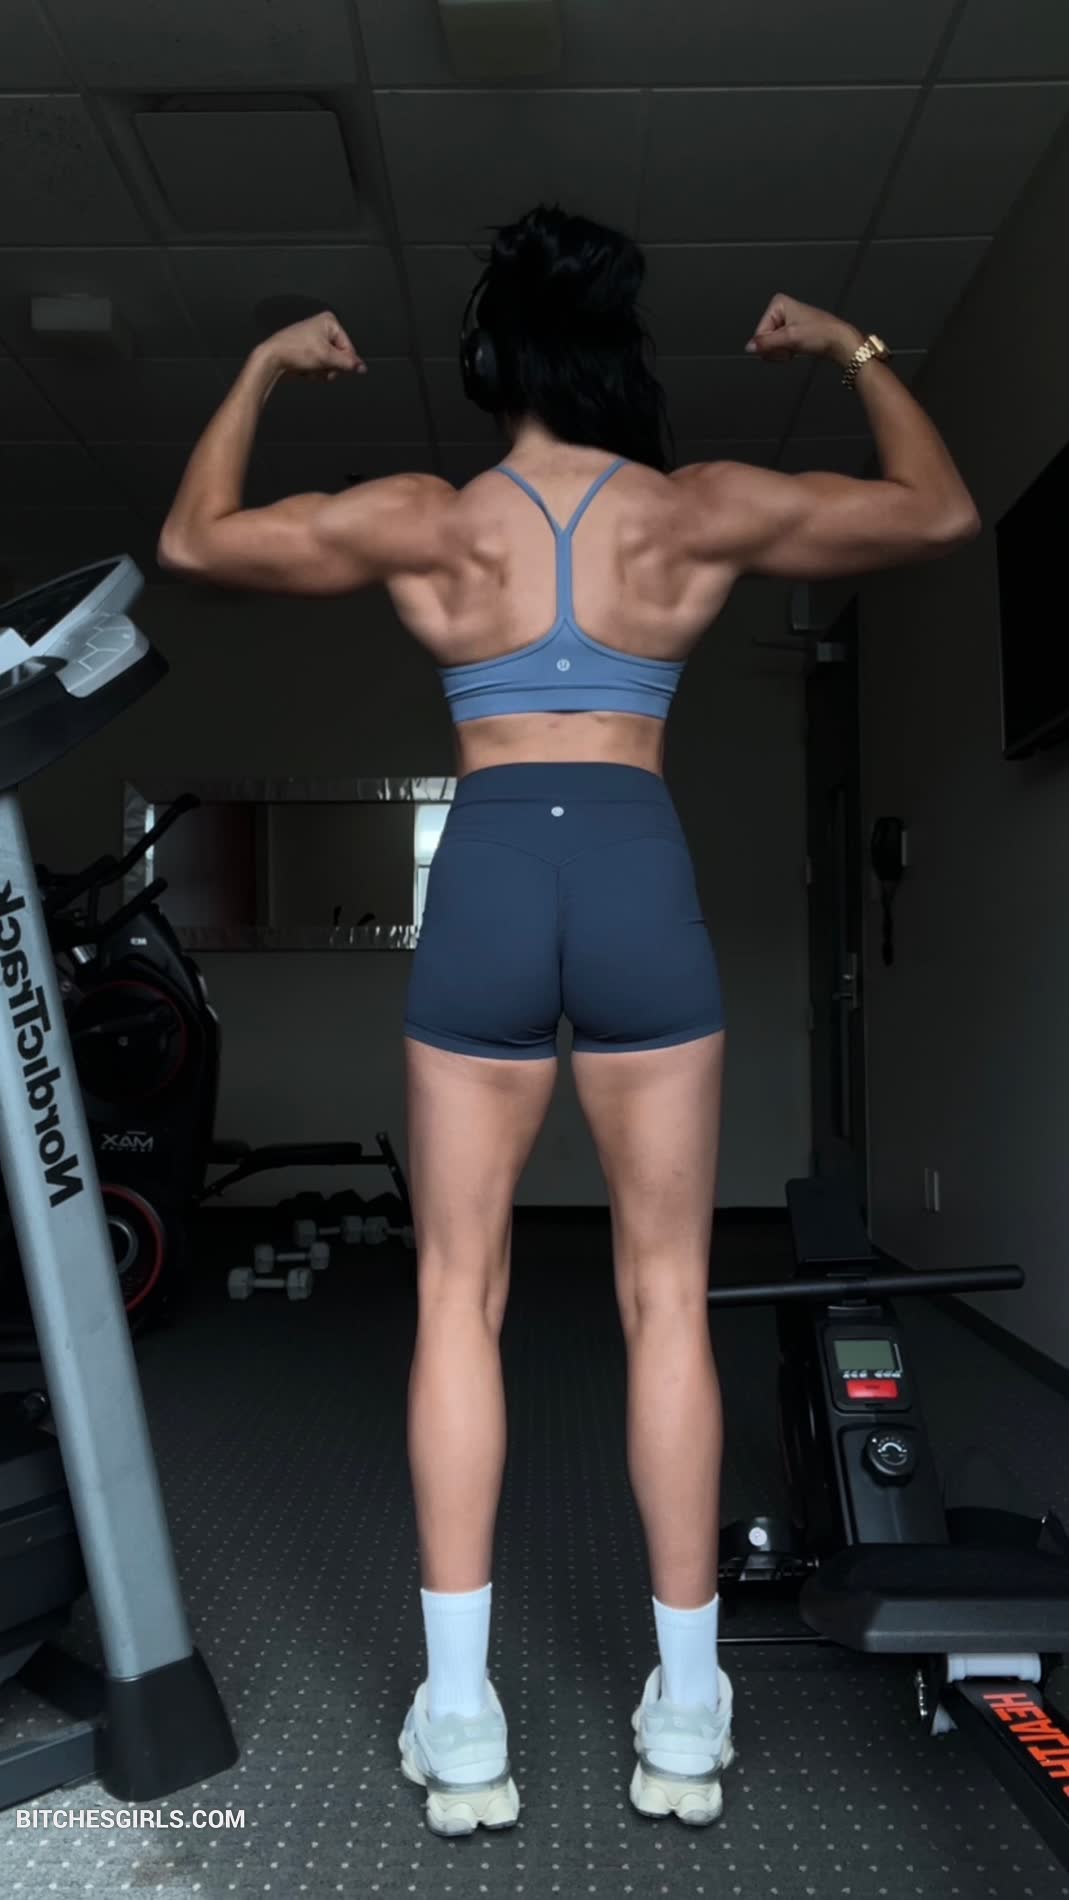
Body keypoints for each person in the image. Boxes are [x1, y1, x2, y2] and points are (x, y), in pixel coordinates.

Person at [159, 203, 979, 1838]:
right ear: (619, 362)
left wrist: (260, 370)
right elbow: (938, 509)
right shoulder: (694, 508)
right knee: (663, 1297)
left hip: (485, 871)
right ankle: (686, 1714)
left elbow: (196, 542)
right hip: (627, 865)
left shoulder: (426, 516)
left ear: (492, 365)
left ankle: (461, 1721)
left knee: (455, 1296)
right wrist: (849, 347)